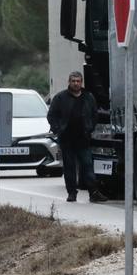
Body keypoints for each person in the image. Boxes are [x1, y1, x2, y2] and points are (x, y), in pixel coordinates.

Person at [47, 71, 97, 202]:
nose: (76, 83)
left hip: (83, 138)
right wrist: (58, 129)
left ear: (81, 82)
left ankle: (93, 192)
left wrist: (90, 128)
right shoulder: (60, 98)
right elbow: (51, 115)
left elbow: (94, 115)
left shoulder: (88, 97)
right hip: (66, 139)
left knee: (87, 166)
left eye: (78, 81)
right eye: (73, 81)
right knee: (69, 167)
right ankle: (71, 193)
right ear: (69, 82)